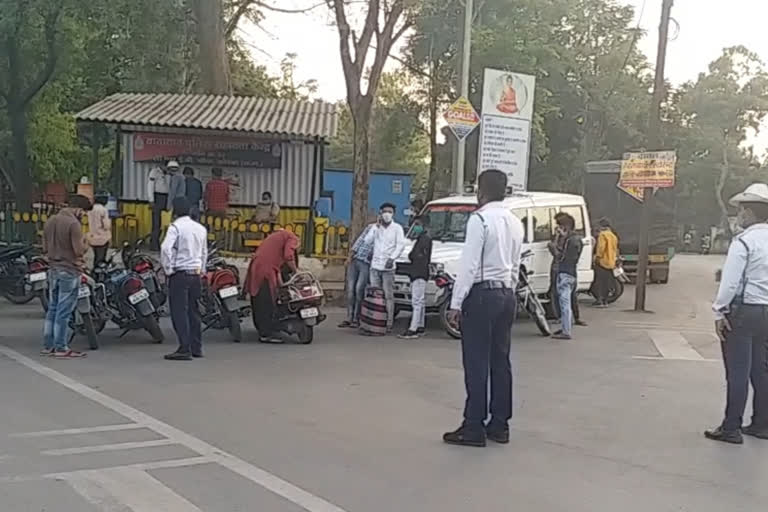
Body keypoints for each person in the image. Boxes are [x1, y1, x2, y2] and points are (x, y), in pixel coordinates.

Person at [443, 169, 523, 447]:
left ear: (481, 190)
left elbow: (469, 266)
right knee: (501, 361)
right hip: (505, 294)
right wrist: (508, 292)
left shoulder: (479, 219)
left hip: (482, 295)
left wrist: (455, 303)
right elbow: (515, 263)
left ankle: (473, 426)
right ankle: (500, 425)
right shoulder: (515, 222)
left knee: (476, 363)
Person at [705, 183, 768, 444]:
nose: (739, 215)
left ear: (751, 213)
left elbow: (730, 282)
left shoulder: (743, 241)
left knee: (738, 371)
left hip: (744, 311)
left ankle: (731, 427)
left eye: (741, 210)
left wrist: (719, 311)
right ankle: (762, 424)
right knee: (761, 369)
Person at [41, 194, 92, 358]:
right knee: (64, 310)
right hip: (69, 270)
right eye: (84, 212)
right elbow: (78, 251)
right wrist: (86, 242)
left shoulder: (50, 221)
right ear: (77, 209)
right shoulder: (73, 224)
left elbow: (44, 247)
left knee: (53, 308)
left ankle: (48, 345)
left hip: (53, 269)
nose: (83, 215)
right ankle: (61, 347)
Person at [160, 197, 208, 361]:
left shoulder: (175, 227)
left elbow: (165, 248)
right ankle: (197, 347)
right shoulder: (201, 229)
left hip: (180, 274)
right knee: (194, 311)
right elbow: (204, 252)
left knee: (179, 312)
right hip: (195, 274)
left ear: (175, 210)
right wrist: (202, 270)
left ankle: (184, 348)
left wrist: (168, 269)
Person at [244, 230, 300, 343]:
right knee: (266, 301)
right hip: (265, 269)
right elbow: (288, 256)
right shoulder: (292, 238)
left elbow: (278, 270)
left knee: (259, 298)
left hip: (258, 265)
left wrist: (281, 286)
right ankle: (266, 334)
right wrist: (296, 271)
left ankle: (263, 328)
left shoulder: (277, 237)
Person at [364, 203, 406, 334]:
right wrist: (376, 227)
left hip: (388, 268)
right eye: (385, 211)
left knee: (388, 295)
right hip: (375, 266)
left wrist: (392, 258)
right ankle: (375, 320)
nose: (387, 214)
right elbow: (367, 241)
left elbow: (400, 245)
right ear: (381, 213)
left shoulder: (397, 228)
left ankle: (388, 322)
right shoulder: (376, 228)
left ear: (393, 214)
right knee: (375, 294)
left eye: (390, 211)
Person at [338, 213, 376, 329]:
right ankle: (349, 317)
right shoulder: (371, 227)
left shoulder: (387, 233)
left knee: (359, 289)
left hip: (366, 263)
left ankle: (356, 318)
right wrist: (350, 256)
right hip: (356, 260)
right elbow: (359, 241)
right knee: (350, 290)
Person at [548, 212, 586, 328]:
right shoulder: (573, 238)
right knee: (567, 294)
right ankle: (570, 318)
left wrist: (554, 245)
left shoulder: (569, 239)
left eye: (559, 225)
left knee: (561, 295)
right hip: (568, 269)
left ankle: (565, 322)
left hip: (561, 268)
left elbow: (560, 255)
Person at [399, 216, 432, 339]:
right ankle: (420, 326)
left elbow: (416, 256)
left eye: (417, 224)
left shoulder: (423, 240)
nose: (415, 227)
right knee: (420, 301)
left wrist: (412, 256)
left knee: (416, 301)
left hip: (418, 272)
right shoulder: (423, 239)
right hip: (421, 272)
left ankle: (413, 328)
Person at [593, 218, 618, 307]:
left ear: (602, 226)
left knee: (600, 282)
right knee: (607, 283)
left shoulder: (603, 235)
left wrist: (597, 257)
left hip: (603, 262)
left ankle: (600, 301)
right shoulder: (613, 236)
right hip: (611, 262)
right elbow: (615, 249)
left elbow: (601, 248)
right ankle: (606, 301)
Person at [148, 161, 170, 251]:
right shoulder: (154, 172)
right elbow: (150, 186)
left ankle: (162, 242)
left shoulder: (170, 174)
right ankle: (154, 244)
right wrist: (151, 200)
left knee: (166, 222)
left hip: (166, 197)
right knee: (156, 223)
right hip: (157, 196)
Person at [86, 192, 111, 269]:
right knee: (101, 259)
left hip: (92, 236)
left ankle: (95, 272)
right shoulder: (103, 210)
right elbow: (106, 226)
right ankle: (99, 275)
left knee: (96, 257)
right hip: (102, 237)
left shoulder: (90, 209)